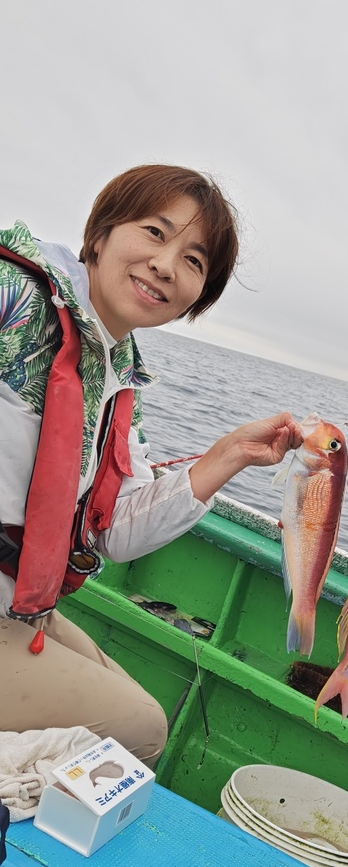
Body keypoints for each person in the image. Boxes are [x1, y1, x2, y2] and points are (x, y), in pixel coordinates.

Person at [0, 163, 302, 770]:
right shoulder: (15, 295)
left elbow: (115, 532)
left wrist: (230, 454)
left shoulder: (115, 376)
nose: (167, 265)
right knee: (136, 732)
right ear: (102, 232)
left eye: (195, 261)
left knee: (123, 705)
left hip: (16, 601)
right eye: (155, 232)